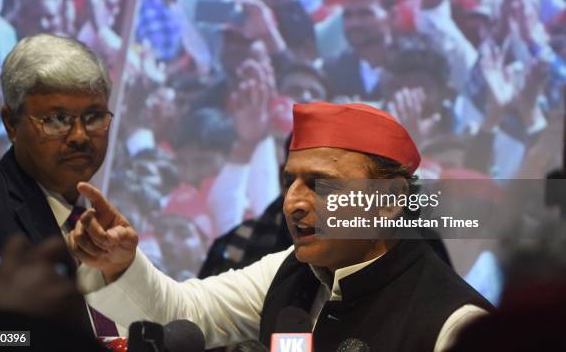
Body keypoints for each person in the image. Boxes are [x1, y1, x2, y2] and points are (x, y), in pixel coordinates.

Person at [70, 101, 493, 351]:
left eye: (321, 185)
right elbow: (182, 314)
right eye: (290, 181)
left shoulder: (454, 323)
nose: (293, 202)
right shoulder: (289, 274)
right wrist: (119, 264)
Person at [0, 33, 119, 336]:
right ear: (11, 124)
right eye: (57, 119)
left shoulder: (102, 220)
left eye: (94, 116)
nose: (80, 136)